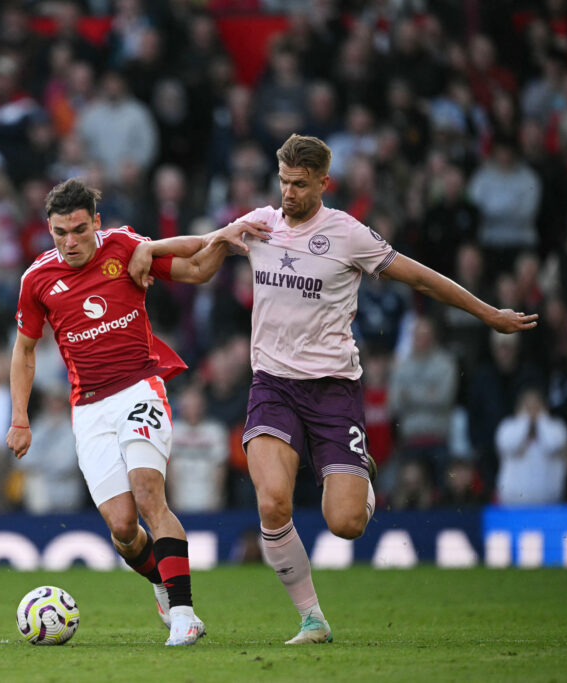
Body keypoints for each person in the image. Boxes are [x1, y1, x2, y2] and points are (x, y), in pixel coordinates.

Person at [133, 133, 537, 644]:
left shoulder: (348, 235)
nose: (289, 194)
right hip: (273, 387)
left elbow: (420, 279)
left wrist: (488, 313)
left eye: (299, 185)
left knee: (345, 523)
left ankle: (360, 476)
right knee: (273, 503)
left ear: (325, 182)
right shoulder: (260, 224)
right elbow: (202, 245)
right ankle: (312, 618)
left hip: (332, 391)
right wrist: (148, 247)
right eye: (283, 182)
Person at [6, 178, 265, 646]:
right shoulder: (36, 280)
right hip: (87, 409)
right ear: (49, 229)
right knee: (124, 529)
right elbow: (25, 351)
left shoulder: (125, 247)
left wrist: (224, 242)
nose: (70, 242)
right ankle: (163, 587)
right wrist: (19, 417)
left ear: (96, 223)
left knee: (149, 494)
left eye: (80, 230)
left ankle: (184, 614)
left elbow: (195, 271)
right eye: (60, 232)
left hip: (138, 389)